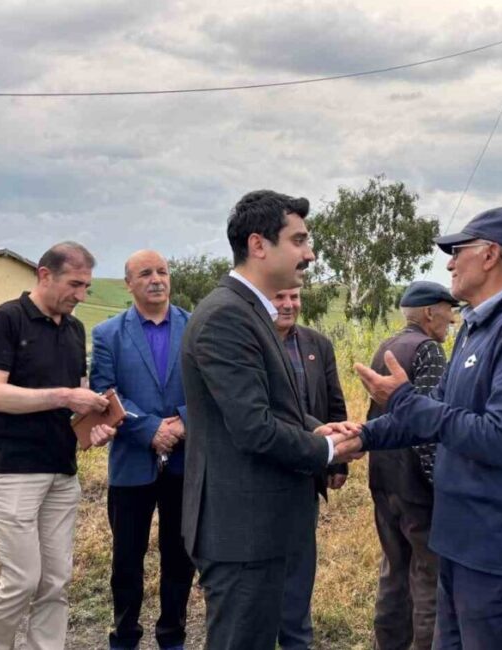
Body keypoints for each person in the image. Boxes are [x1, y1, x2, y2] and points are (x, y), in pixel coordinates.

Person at [350, 207, 502, 650]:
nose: (450, 262)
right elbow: (441, 414)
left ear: (490, 255)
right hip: (459, 539)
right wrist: (362, 435)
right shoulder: (478, 327)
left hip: (498, 548)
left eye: (458, 250)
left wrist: (404, 399)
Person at [180, 189, 360, 650]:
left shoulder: (250, 312)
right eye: (299, 240)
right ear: (259, 245)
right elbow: (253, 427)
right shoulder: (227, 316)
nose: (310, 253)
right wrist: (326, 450)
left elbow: (269, 406)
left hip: (260, 526)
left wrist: (313, 427)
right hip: (242, 532)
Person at [0, 242, 116, 650]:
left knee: (56, 580)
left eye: (87, 286)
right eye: (74, 284)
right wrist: (65, 397)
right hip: (10, 470)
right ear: (44, 275)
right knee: (21, 579)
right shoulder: (5, 320)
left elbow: (76, 401)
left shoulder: (74, 329)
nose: (81, 295)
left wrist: (93, 427)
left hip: (60, 468)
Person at [91, 250, 195, 650]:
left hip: (186, 463)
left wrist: (184, 421)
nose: (156, 279)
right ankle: (125, 636)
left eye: (163, 271)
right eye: (145, 273)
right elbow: (105, 392)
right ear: (128, 284)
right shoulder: (107, 335)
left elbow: (209, 385)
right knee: (126, 562)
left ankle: (172, 635)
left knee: (179, 557)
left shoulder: (195, 327)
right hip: (131, 463)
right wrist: (150, 429)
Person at [366, 281, 456, 650]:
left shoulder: (386, 346)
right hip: (417, 486)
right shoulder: (429, 350)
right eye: (448, 311)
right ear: (430, 312)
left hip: (384, 480)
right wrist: (440, 483)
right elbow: (428, 427)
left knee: (394, 570)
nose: (453, 319)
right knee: (428, 576)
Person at [270, 286, 349, 650]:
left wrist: (339, 461)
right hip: (264, 473)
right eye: (279, 297)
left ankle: (296, 640)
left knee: (301, 566)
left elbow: (335, 402)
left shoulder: (317, 344)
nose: (288, 305)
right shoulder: (252, 344)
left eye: (294, 298)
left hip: (307, 472)